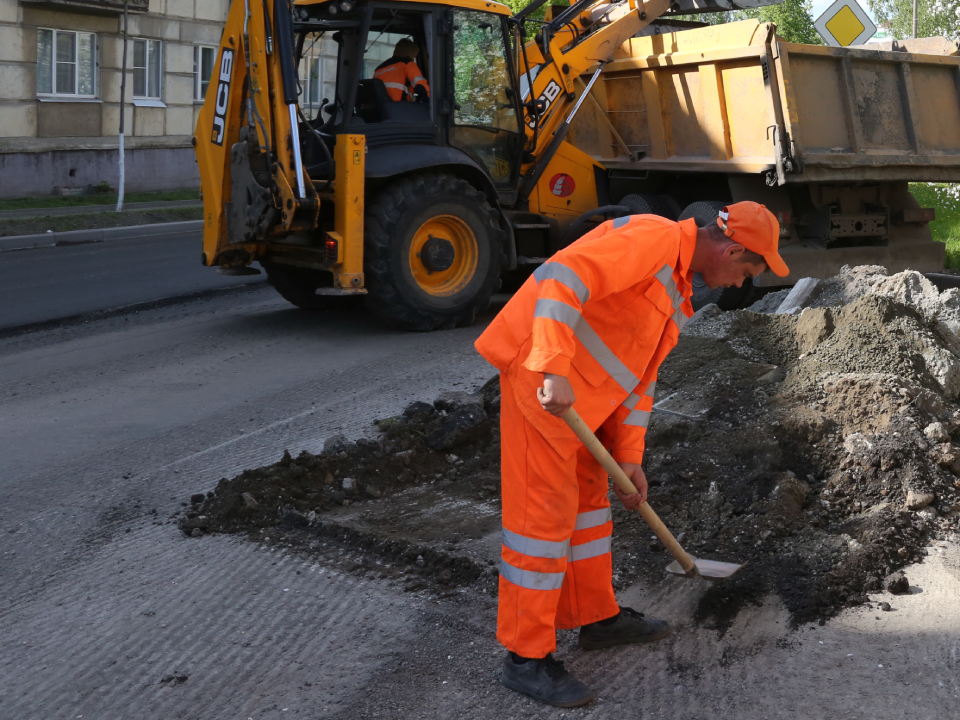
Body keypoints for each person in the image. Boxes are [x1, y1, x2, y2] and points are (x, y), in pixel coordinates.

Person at [474, 201, 789, 708]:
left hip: (585, 399)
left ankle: (596, 618)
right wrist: (553, 369)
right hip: (544, 385)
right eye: (745, 272)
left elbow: (638, 379)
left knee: (589, 512)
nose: (737, 283)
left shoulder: (678, 285)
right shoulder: (655, 240)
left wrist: (629, 458)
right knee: (543, 521)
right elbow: (562, 277)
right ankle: (525, 658)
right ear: (731, 249)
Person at [372, 38, 429, 102]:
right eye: (413, 57)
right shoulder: (407, 63)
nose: (413, 60)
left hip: (383, 107)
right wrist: (429, 100)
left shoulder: (379, 68)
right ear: (408, 54)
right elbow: (421, 85)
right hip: (400, 106)